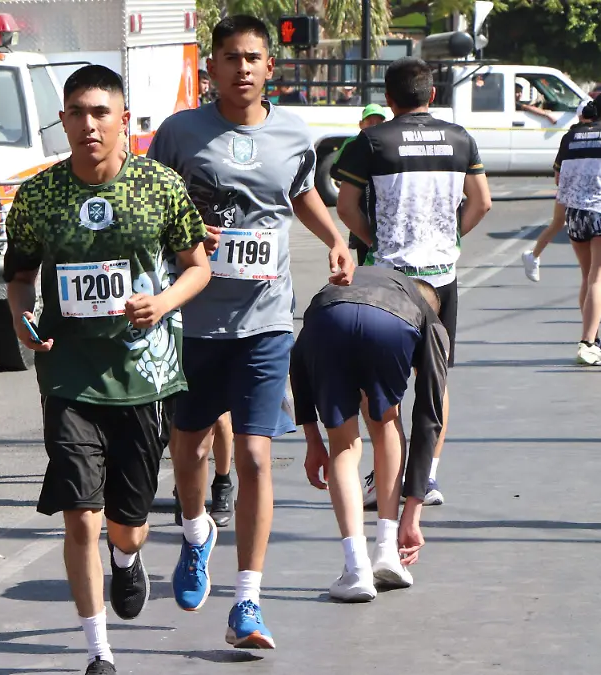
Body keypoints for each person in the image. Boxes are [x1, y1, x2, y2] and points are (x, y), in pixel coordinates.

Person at [148, 14, 355, 649]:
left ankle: (248, 603)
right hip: (192, 320)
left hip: (265, 322)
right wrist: (184, 235)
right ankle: (193, 534)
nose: (242, 67)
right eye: (231, 57)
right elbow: (148, 204)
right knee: (190, 449)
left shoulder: (294, 132)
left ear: (271, 68)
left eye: (254, 58)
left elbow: (301, 193)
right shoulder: (180, 133)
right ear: (210, 67)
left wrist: (338, 239)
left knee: (258, 454)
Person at [4, 65, 210, 675]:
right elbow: (18, 278)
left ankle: (127, 558)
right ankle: (99, 652)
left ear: (123, 119)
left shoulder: (160, 187)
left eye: (100, 112)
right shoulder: (40, 196)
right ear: (63, 120)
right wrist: (22, 320)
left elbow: (197, 266)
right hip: (69, 376)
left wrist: (163, 301)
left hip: (144, 375)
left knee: (128, 527)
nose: (88, 124)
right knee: (80, 516)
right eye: (76, 113)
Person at [336, 57, 492, 507]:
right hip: (442, 279)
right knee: (435, 379)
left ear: (388, 99)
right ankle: (427, 478)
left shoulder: (371, 141)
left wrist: (374, 242)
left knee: (378, 384)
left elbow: (346, 208)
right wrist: (449, 236)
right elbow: (481, 203)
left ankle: (384, 476)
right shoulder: (461, 139)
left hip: (388, 278)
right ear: (433, 96)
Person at [294, 266, 446, 601]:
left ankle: (356, 567)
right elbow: (429, 415)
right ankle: (386, 551)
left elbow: (298, 357)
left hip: (326, 317)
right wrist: (413, 513)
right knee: (387, 422)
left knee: (343, 446)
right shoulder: (427, 317)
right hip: (390, 326)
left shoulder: (361, 277)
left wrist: (312, 439)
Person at [553, 91, 601, 366]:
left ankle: (594, 340)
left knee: (588, 278)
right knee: (599, 278)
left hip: (575, 213)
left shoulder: (571, 136)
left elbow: (558, 176)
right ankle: (588, 342)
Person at [523, 100, 597, 282]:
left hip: (570, 190)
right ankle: (533, 256)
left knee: (558, 223)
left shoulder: (571, 136)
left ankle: (533, 255)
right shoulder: (592, 135)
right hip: (581, 192)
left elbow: (558, 170)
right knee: (560, 223)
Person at [332, 104, 388, 266]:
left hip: (382, 208)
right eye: (370, 121)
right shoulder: (353, 143)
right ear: (361, 124)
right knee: (364, 256)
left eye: (379, 122)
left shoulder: (390, 143)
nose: (374, 125)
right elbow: (335, 171)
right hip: (360, 205)